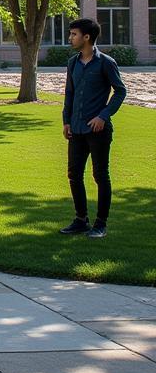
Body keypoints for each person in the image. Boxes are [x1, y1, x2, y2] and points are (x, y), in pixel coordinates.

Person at [60, 17, 128, 239]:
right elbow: (69, 93)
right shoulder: (72, 62)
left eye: (73, 34)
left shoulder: (106, 62)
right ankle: (81, 220)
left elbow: (120, 91)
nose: (70, 38)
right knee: (74, 175)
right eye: (70, 34)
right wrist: (66, 121)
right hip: (76, 129)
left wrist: (103, 116)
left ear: (86, 37)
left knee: (101, 176)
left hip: (98, 131)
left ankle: (100, 224)